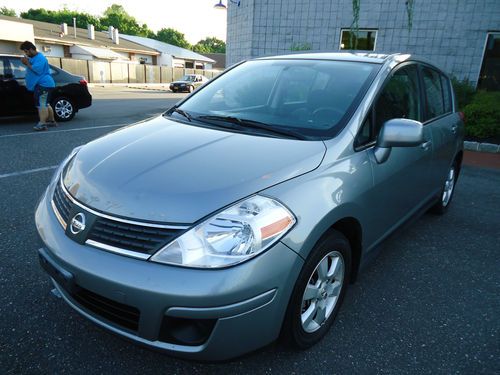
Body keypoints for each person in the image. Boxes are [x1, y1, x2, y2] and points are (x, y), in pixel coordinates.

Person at [19, 41, 57, 131]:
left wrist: (26, 63)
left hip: (44, 84)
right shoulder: (34, 57)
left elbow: (37, 70)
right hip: (43, 84)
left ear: (31, 49)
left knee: (41, 104)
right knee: (46, 104)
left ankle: (42, 124)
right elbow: (31, 65)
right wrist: (26, 61)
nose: (26, 54)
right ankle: (51, 121)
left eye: (26, 51)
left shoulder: (40, 58)